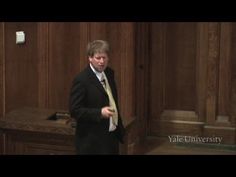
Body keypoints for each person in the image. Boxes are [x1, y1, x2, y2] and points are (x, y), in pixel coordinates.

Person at [69, 40, 125, 154]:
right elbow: (75, 110)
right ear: (90, 58)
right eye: (98, 58)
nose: (102, 61)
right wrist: (99, 113)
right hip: (92, 142)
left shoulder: (109, 73)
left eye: (104, 57)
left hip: (111, 137)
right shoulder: (82, 80)